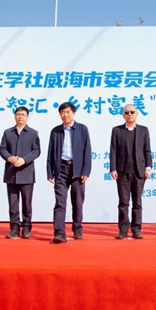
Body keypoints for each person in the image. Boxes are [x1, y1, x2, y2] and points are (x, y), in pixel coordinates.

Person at [47, 102, 92, 244]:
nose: (65, 115)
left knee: (77, 202)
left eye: (68, 112)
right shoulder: (55, 131)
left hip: (77, 170)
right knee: (60, 202)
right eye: (62, 112)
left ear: (74, 113)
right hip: (61, 169)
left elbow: (87, 151)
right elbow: (50, 152)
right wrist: (49, 171)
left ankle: (77, 230)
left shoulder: (82, 129)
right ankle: (59, 233)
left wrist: (86, 171)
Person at [110, 104, 152, 240]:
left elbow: (147, 150)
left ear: (137, 114)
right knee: (123, 202)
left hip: (139, 172)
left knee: (137, 202)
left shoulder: (144, 130)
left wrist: (148, 167)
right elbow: (113, 151)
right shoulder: (116, 130)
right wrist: (113, 168)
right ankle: (123, 230)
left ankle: (136, 229)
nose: (129, 114)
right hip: (122, 172)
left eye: (132, 112)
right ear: (123, 115)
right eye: (127, 112)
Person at [0, 106, 41, 239]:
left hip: (26, 173)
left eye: (23, 114)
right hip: (11, 173)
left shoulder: (33, 133)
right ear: (14, 116)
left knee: (27, 203)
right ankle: (14, 228)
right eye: (18, 114)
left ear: (27, 117)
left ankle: (26, 228)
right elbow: (2, 148)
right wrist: (9, 157)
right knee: (13, 203)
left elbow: (36, 151)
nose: (20, 117)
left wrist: (24, 160)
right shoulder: (8, 132)